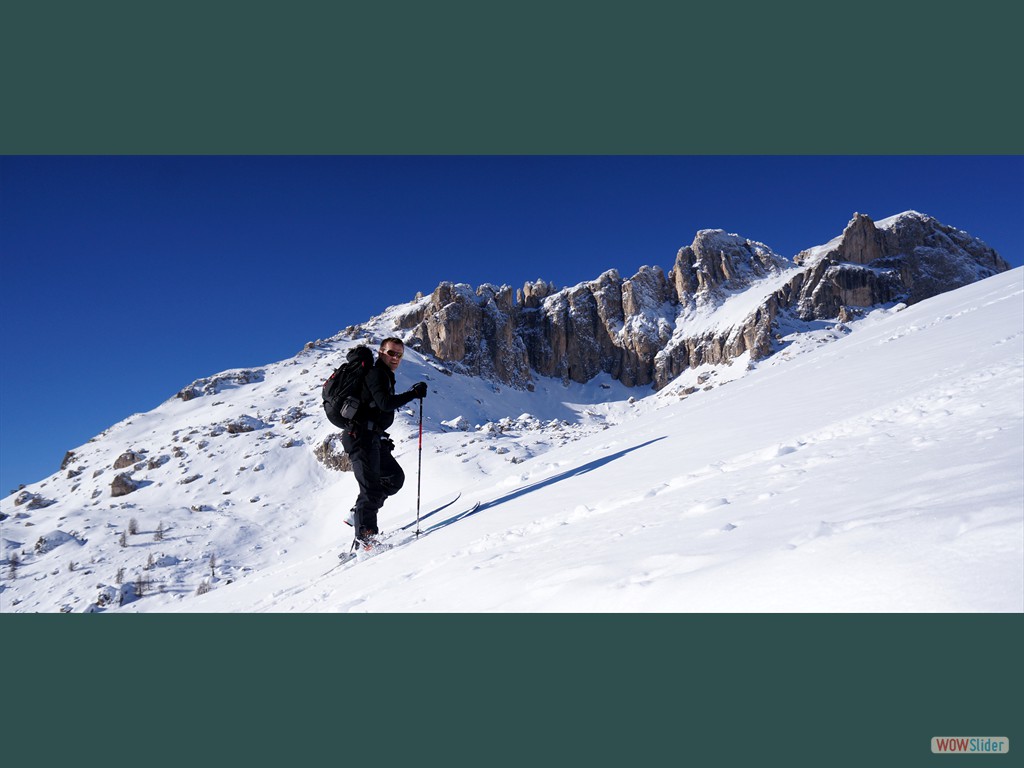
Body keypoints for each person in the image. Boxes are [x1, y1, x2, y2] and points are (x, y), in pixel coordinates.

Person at [341, 337, 427, 548]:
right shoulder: (376, 373)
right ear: (381, 352)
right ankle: (366, 539)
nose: (395, 358)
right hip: (360, 437)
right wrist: (413, 394)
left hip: (373, 437)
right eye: (391, 353)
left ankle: (358, 513)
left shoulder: (385, 375)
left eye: (399, 354)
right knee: (369, 489)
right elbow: (385, 403)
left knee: (394, 478)